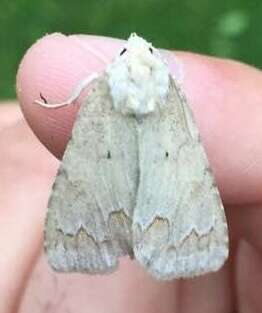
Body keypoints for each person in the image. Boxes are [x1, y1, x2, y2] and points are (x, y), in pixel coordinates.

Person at [1, 33, 262, 313]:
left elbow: (86, 80)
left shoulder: (105, 81)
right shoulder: (170, 91)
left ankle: (94, 239)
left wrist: (65, 102)